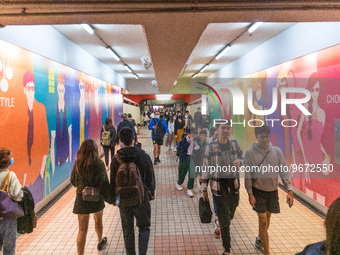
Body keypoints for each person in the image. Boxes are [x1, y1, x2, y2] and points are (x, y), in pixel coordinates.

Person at [244, 125, 294, 255]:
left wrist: (289, 190)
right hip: (258, 191)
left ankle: (260, 239)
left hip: (272, 190)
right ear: (257, 137)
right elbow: (248, 175)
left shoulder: (276, 151)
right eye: (262, 137)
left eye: (266, 136)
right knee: (263, 220)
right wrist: (250, 193)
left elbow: (283, 171)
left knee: (268, 217)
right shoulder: (250, 153)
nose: (265, 140)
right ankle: (267, 252)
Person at [110, 127, 155, 255]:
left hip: (123, 199)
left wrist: (115, 199)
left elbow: (112, 182)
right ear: (134, 138)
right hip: (142, 197)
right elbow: (150, 176)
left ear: (120, 140)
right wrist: (151, 192)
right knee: (144, 227)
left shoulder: (116, 158)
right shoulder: (143, 155)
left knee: (127, 230)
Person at [201, 122, 243, 255]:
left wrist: (240, 162)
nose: (226, 130)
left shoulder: (235, 144)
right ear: (217, 130)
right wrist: (204, 189)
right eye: (223, 128)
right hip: (218, 186)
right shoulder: (211, 147)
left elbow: (243, 157)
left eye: (228, 128)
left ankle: (220, 221)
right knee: (225, 217)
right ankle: (227, 249)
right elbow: (206, 168)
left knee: (232, 209)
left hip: (234, 184)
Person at [71, 139, 112, 255]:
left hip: (82, 198)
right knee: (98, 219)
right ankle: (100, 241)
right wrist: (111, 199)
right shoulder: (99, 163)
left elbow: (73, 181)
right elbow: (104, 183)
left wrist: (82, 188)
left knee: (82, 229)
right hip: (96, 198)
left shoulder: (78, 163)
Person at [0, 148, 24, 255]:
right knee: (9, 248)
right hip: (7, 216)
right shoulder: (10, 175)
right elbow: (16, 195)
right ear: (7, 160)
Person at [176, 128, 197, 197]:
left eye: (194, 135)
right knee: (182, 172)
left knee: (192, 173)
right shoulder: (184, 139)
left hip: (192, 158)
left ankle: (189, 189)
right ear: (188, 134)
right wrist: (188, 141)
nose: (193, 136)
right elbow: (183, 148)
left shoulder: (196, 140)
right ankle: (179, 183)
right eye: (192, 135)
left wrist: (196, 145)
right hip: (184, 157)